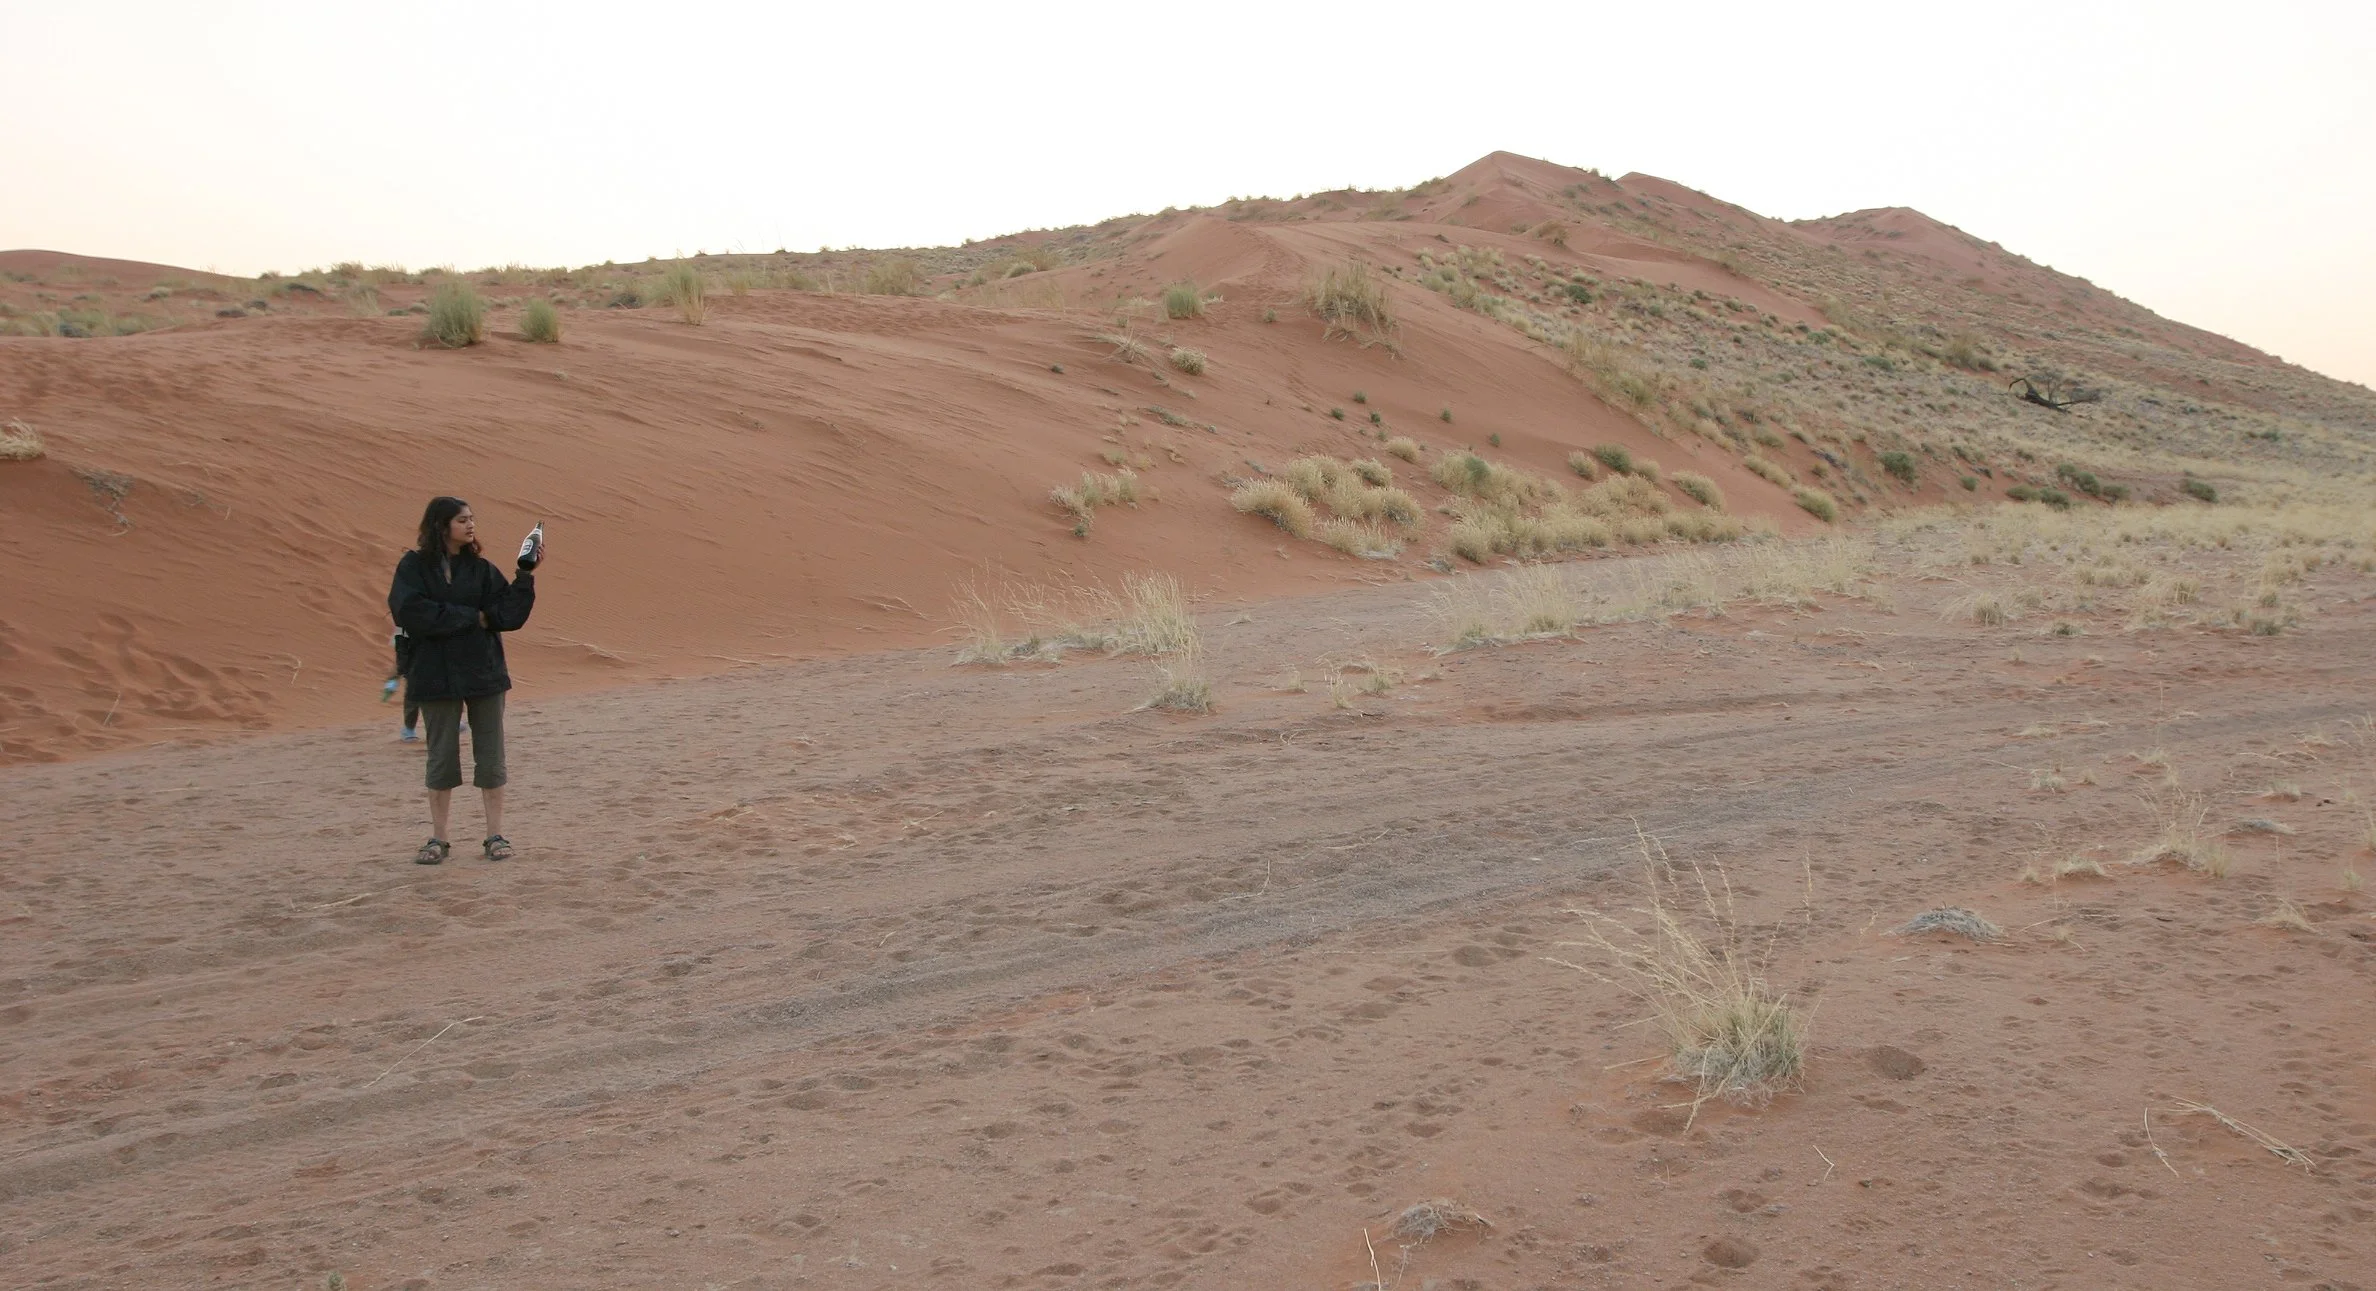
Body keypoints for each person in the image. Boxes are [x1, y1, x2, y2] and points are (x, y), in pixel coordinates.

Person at [387, 497, 545, 864]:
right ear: (442, 525)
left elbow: (507, 614)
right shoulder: (413, 567)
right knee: (440, 757)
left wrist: (526, 575)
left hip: (483, 672)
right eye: (462, 520)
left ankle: (495, 834)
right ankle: (438, 839)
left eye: (472, 519)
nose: (470, 525)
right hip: (434, 674)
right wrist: (472, 618)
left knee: (491, 756)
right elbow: (410, 610)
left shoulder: (480, 569)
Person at [382, 628, 422, 741]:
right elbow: (399, 660)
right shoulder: (401, 629)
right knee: (413, 697)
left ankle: (451, 723)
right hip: (412, 668)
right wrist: (391, 684)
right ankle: (409, 728)